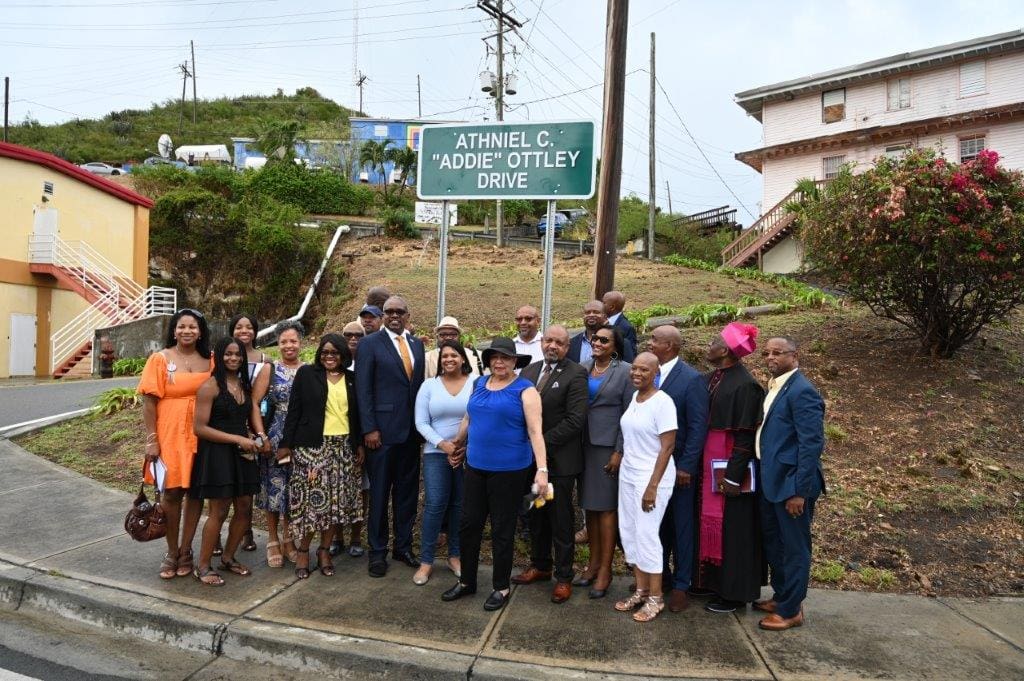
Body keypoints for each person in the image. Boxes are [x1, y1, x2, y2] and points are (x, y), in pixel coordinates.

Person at [441, 337, 549, 611]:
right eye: (495, 357)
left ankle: (500, 587)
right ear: (488, 360)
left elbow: (536, 431)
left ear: (515, 362)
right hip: (476, 467)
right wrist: (457, 443)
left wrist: (542, 469)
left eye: (506, 358)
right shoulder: (479, 384)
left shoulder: (525, 390)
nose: (499, 362)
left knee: (502, 529)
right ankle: (467, 582)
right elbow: (469, 418)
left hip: (509, 471)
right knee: (469, 525)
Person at [277, 334, 364, 579]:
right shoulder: (307, 374)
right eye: (325, 352)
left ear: (343, 355)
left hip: (343, 448)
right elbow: (294, 410)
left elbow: (355, 416)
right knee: (313, 505)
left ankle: (324, 551)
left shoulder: (351, 379)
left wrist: (358, 444)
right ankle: (304, 550)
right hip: (312, 448)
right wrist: (286, 444)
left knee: (335, 505)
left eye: (334, 352)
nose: (329, 356)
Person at [512, 326, 588, 603]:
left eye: (559, 342)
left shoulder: (577, 373)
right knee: (536, 515)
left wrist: (540, 443)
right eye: (549, 341)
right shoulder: (530, 371)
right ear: (542, 343)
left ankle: (564, 576)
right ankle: (541, 565)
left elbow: (575, 420)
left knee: (561, 520)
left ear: (567, 347)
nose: (552, 346)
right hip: (531, 463)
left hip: (560, 463)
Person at [755, 336, 826, 631]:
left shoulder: (802, 391)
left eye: (778, 353)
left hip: (791, 486)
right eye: (767, 352)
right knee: (775, 543)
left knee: (795, 548)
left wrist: (799, 490)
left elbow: (811, 444)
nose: (771, 357)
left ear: (794, 356)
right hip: (771, 481)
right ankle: (783, 596)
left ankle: (791, 610)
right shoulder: (777, 386)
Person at [697, 322, 768, 614]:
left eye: (713, 342)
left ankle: (734, 594)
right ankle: (710, 583)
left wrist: (733, 477)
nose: (708, 345)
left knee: (734, 531)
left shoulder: (746, 385)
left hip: (729, 470)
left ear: (725, 350)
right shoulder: (714, 377)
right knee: (711, 526)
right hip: (708, 464)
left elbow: (744, 436)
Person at [356, 295, 426, 578]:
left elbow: (418, 387)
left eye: (400, 311)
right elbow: (363, 390)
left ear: (408, 315)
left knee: (407, 494)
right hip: (381, 435)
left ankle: (403, 546)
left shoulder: (417, 345)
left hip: (410, 434)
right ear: (383, 315)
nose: (394, 315)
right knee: (380, 494)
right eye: (389, 311)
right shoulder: (369, 344)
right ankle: (377, 552)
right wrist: (369, 428)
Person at [139, 309, 212, 580]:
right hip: (169, 434)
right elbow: (149, 402)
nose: (187, 331)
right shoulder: (160, 359)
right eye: (182, 326)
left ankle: (186, 550)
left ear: (201, 331)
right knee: (171, 493)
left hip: (202, 434)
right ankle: (171, 551)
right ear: (173, 330)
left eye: (193, 327)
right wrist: (151, 440)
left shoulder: (211, 360)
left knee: (195, 493)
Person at [190, 337, 267, 585]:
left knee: (245, 507)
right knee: (219, 510)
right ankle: (202, 566)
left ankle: (228, 557)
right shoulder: (210, 386)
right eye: (228, 354)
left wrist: (258, 436)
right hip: (217, 454)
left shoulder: (244, 385)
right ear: (219, 357)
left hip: (243, 453)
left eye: (237, 355)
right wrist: (236, 438)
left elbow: (251, 413)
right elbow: (199, 428)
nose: (233, 358)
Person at [613, 352, 678, 622]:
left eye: (644, 370)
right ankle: (640, 590)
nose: (637, 373)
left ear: (656, 373)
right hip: (629, 474)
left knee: (648, 534)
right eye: (635, 369)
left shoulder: (663, 402)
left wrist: (652, 487)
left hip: (652, 478)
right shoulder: (635, 397)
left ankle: (656, 597)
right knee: (629, 532)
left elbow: (668, 447)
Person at [648, 325, 709, 612]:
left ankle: (682, 585)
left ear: (670, 346)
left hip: (678, 467)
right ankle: (663, 577)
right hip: (650, 467)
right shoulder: (649, 375)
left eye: (654, 340)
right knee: (656, 526)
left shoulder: (691, 379)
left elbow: (698, 428)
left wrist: (686, 466)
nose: (649, 344)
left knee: (682, 526)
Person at [575, 324, 634, 599]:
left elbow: (628, 414)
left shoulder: (624, 371)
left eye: (604, 340)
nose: (597, 342)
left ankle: (606, 570)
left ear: (615, 346)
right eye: (595, 338)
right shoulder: (584, 366)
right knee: (591, 509)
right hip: (583, 445)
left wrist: (618, 451)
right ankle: (593, 564)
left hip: (607, 447)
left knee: (607, 510)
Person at [413, 340, 474, 585]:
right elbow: (421, 422)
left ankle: (455, 556)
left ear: (463, 359)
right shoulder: (429, 385)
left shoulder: (475, 383)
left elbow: (478, 415)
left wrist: (462, 446)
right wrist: (444, 444)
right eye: (444, 356)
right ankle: (426, 561)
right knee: (436, 503)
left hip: (467, 453)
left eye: (454, 355)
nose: (448, 359)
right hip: (435, 453)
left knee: (460, 505)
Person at [257, 321, 305, 569]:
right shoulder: (270, 369)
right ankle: (273, 539)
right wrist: (260, 436)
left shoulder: (309, 370)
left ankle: (289, 538)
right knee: (273, 490)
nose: (289, 345)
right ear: (278, 343)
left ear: (301, 343)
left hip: (300, 439)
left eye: (293, 341)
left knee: (293, 492)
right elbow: (255, 405)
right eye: (284, 341)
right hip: (274, 436)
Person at [228, 313, 272, 554]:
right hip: (228, 426)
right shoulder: (224, 356)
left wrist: (260, 431)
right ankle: (219, 538)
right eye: (238, 327)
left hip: (255, 424)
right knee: (226, 482)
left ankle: (246, 531)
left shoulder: (265, 360)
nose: (244, 331)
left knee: (247, 483)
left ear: (255, 331)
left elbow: (264, 399)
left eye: (248, 327)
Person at [336, 320, 369, 558]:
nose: (353, 339)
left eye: (358, 335)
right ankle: (337, 538)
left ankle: (356, 536)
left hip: (360, 438)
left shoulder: (368, 363)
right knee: (336, 489)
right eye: (348, 335)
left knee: (361, 489)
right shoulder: (334, 364)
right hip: (335, 437)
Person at [603, 290, 638, 360]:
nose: (601, 305)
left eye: (604, 303)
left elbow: (630, 355)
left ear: (612, 307)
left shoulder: (626, 327)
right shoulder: (603, 322)